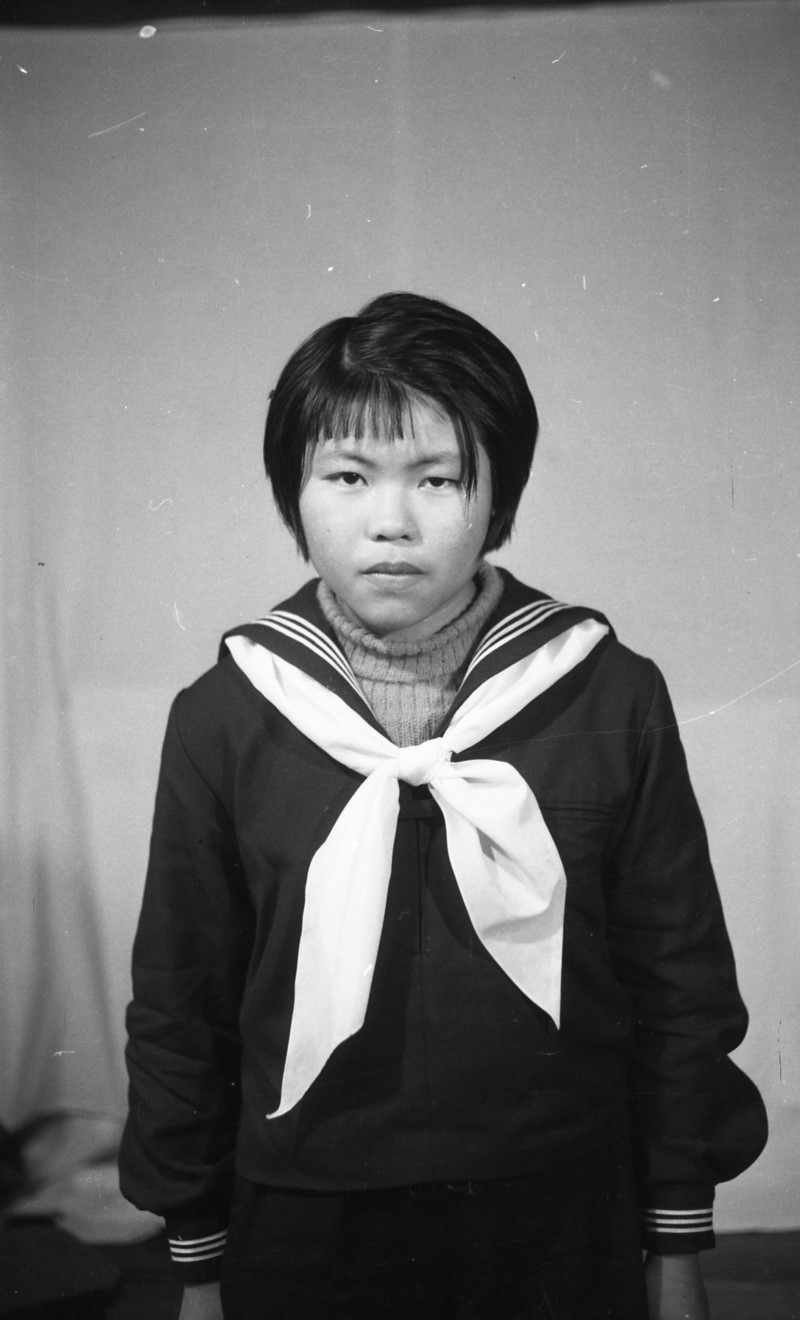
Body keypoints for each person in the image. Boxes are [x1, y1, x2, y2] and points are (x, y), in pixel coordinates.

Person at [119, 292, 767, 1320]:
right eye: (347, 476)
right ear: (294, 494)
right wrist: (197, 1264)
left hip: (559, 1203)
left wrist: (675, 1239)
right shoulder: (224, 715)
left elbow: (678, 978)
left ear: (498, 498)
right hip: (304, 1209)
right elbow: (180, 1002)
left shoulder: (607, 692)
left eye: (438, 478)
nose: (391, 520)